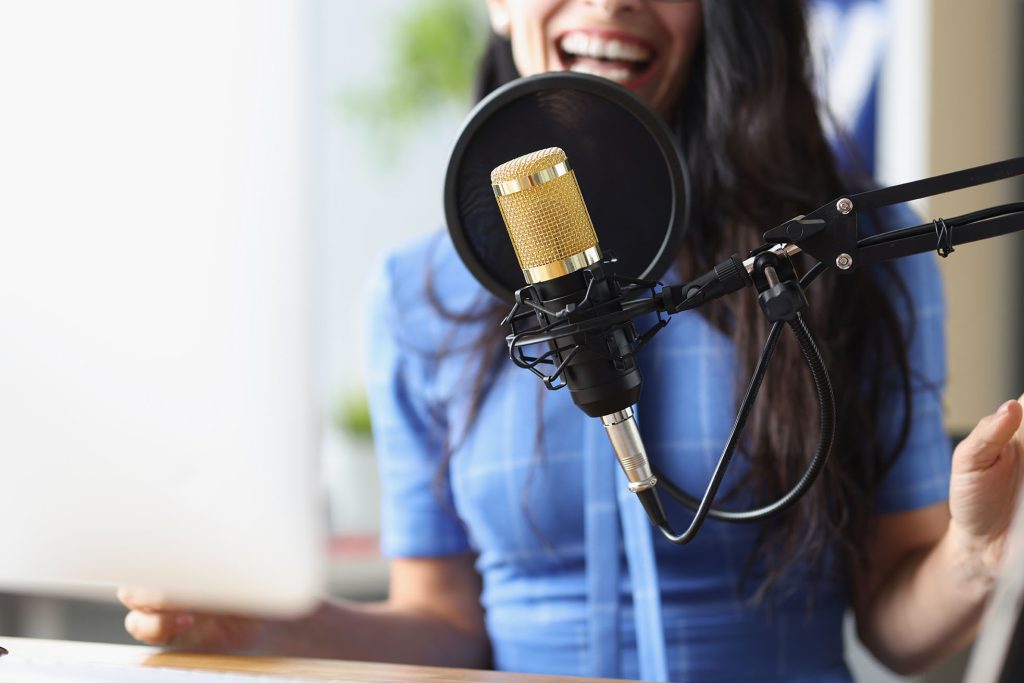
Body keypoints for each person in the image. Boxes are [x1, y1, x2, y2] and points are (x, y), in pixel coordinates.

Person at [121, 1, 1024, 680]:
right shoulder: (416, 295)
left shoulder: (847, 256)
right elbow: (447, 627)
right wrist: (274, 624)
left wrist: (980, 554)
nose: (611, 0)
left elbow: (895, 627)